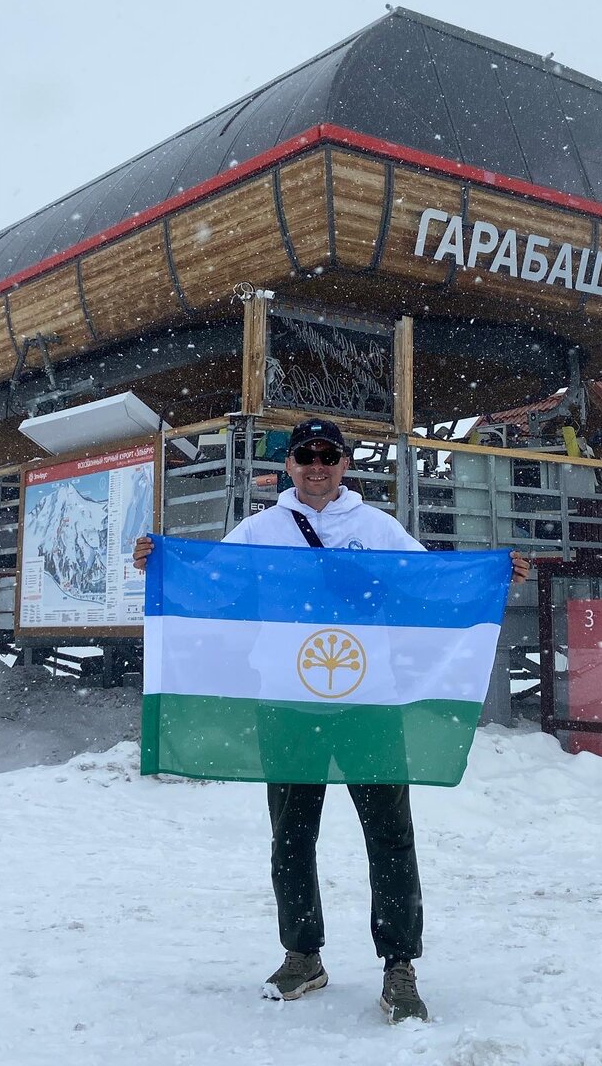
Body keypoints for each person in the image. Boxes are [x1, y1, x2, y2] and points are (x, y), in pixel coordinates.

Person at [134, 417, 529, 1023]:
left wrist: (493, 577)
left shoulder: (378, 529)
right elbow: (214, 586)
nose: (316, 466)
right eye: (304, 455)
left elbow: (429, 588)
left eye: (328, 455)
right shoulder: (260, 530)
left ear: (345, 463)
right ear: (288, 464)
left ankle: (399, 964)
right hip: (288, 704)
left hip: (369, 702)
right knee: (292, 835)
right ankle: (302, 954)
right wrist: (159, 563)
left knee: (390, 837)